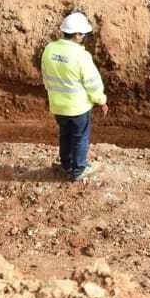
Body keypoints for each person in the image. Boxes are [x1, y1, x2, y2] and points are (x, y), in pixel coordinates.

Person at [40, 11, 108, 183]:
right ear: (77, 34)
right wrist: (101, 100)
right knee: (80, 137)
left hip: (58, 106)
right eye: (83, 34)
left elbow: (46, 76)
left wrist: (52, 95)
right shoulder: (81, 56)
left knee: (65, 134)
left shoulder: (49, 49)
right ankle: (78, 170)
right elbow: (93, 83)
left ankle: (66, 164)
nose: (84, 37)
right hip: (78, 108)